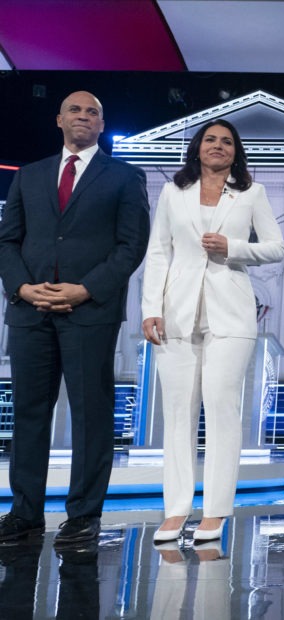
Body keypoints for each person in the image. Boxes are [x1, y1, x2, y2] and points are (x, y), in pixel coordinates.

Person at [0, 91, 151, 546]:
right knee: (28, 415)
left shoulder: (125, 177)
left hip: (90, 311)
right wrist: (24, 288)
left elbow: (131, 246)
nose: (83, 116)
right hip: (30, 311)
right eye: (75, 109)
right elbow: (7, 242)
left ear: (102, 125)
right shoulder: (28, 176)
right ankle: (24, 513)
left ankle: (84, 515)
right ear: (59, 119)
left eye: (93, 112)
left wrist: (86, 288)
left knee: (90, 416)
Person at [141, 119, 284, 544]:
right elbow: (158, 253)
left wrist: (234, 248)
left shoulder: (251, 193)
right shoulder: (173, 193)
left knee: (222, 410)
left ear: (236, 151)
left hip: (232, 315)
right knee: (178, 414)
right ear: (198, 148)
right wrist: (151, 308)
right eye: (211, 140)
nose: (218, 146)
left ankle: (216, 511)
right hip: (176, 313)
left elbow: (276, 246)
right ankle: (176, 510)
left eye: (227, 141)